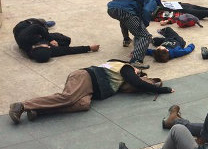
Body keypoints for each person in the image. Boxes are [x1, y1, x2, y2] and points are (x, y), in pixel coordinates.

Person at [8, 61, 173, 124]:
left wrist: (149, 83)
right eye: (140, 73)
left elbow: (134, 87)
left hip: (91, 89)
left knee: (83, 104)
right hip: (86, 77)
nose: (139, 75)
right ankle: (22, 105)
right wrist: (162, 90)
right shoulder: (126, 67)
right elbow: (137, 82)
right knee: (68, 97)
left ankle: (38, 110)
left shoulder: (120, 78)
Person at [107, 0, 160, 66]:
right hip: (126, 10)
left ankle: (126, 39)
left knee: (125, 20)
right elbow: (147, 10)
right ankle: (136, 60)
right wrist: (144, 25)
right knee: (144, 36)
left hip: (111, 7)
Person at [13, 17, 99, 63]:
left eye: (47, 47)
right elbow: (67, 50)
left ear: (38, 46)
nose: (49, 47)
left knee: (41, 26)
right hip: (38, 38)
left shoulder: (24, 37)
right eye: (49, 48)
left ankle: (45, 23)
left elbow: (36, 27)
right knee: (66, 41)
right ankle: (44, 29)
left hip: (27, 25)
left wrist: (50, 40)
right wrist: (89, 48)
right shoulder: (40, 53)